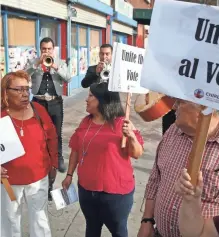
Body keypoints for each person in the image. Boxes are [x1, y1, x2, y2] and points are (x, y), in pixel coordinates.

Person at [137, 100, 219, 237]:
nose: (174, 106)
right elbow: (156, 179)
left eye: (180, 102)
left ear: (204, 108)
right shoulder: (172, 131)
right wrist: (147, 220)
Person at [62, 82, 144, 237]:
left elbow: (137, 153)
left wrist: (131, 136)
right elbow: (76, 149)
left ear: (103, 99)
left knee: (118, 231)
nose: (86, 99)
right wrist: (69, 175)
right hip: (86, 189)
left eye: (91, 96)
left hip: (115, 194)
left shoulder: (122, 123)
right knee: (92, 228)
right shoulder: (85, 122)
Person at [0, 70, 58, 237]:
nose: (25, 94)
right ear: (5, 91)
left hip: (38, 179)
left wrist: (53, 164)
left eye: (27, 89)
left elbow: (52, 138)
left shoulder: (38, 110)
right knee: (9, 223)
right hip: (8, 182)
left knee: (40, 222)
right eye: (19, 90)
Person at [25, 37, 71, 173]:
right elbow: (24, 75)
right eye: (44, 49)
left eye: (49, 49)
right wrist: (37, 64)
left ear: (53, 49)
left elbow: (68, 78)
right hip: (38, 101)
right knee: (37, 132)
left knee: (57, 132)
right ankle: (39, 157)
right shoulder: (33, 62)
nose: (46, 51)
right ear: (40, 49)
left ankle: (58, 159)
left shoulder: (60, 63)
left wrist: (55, 67)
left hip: (55, 101)